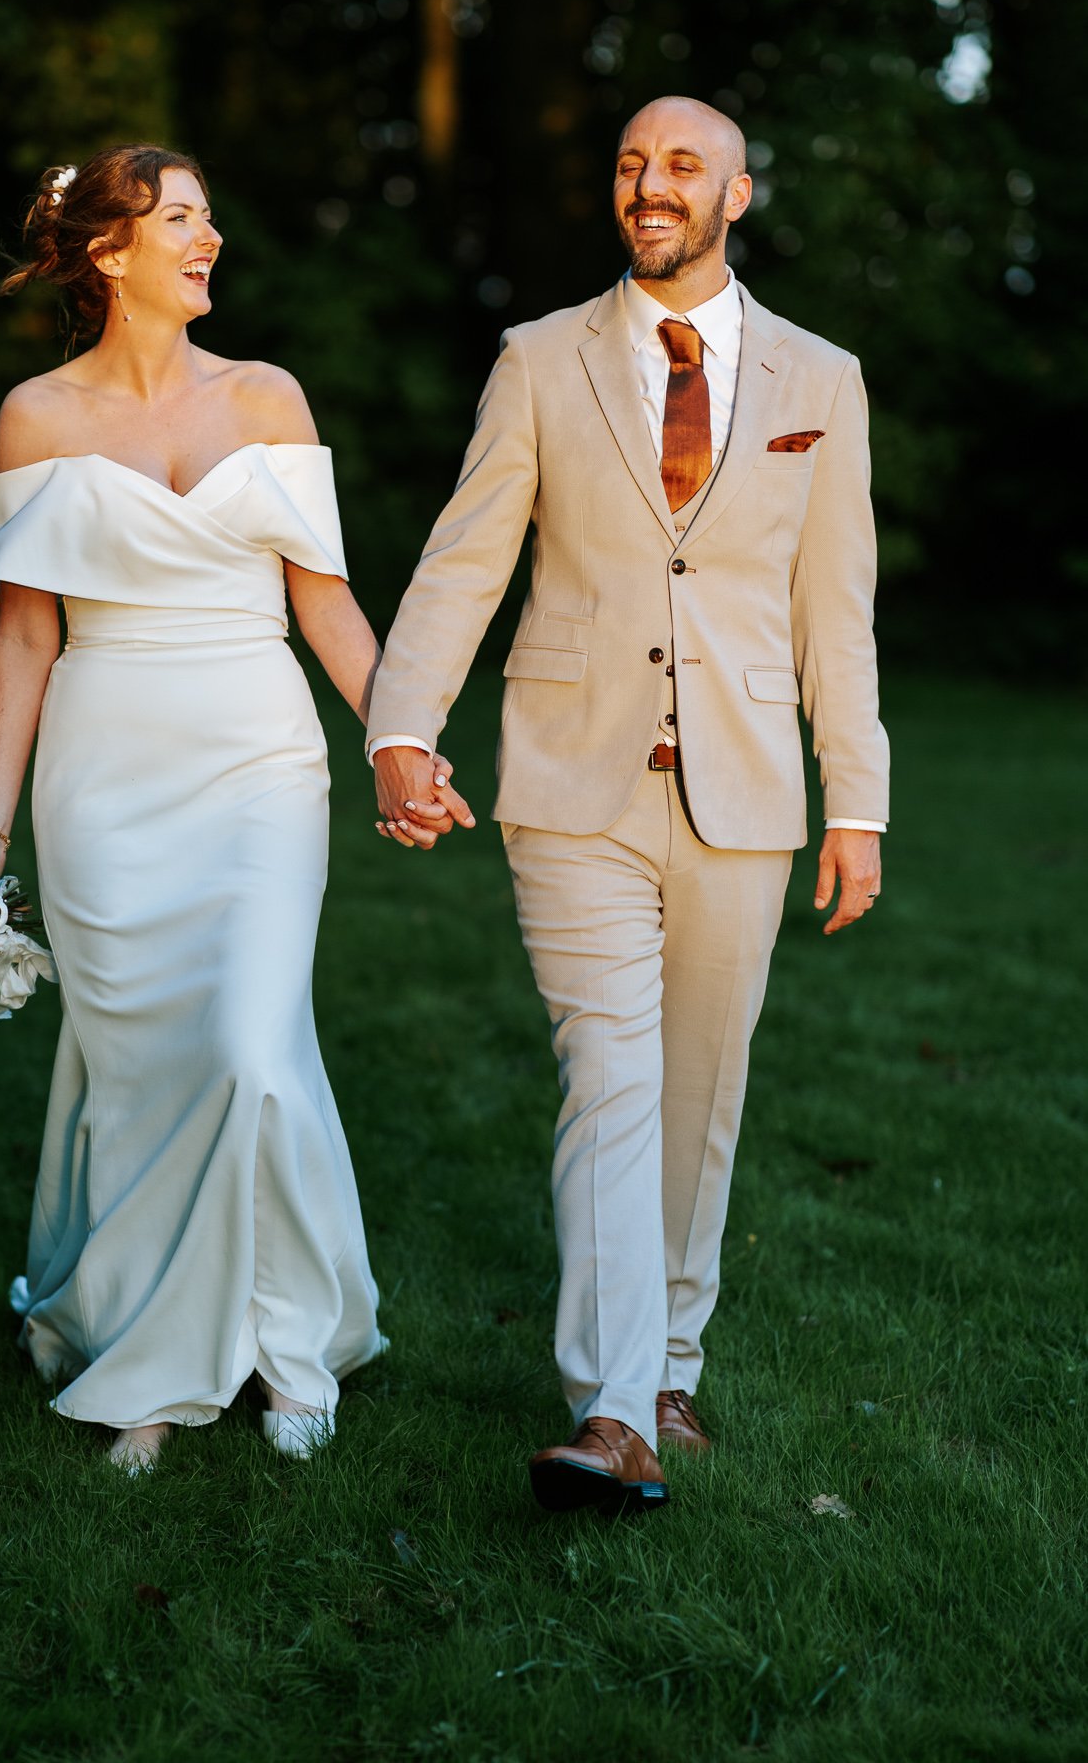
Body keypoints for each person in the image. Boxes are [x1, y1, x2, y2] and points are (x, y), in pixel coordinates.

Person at [368, 96, 888, 1515]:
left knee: (698, 1094)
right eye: (627, 165)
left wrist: (859, 802)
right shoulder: (538, 359)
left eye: (678, 168)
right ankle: (608, 1413)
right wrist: (401, 726)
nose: (645, 187)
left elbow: (830, 611)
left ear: (735, 194)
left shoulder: (818, 380)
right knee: (610, 1078)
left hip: (745, 793)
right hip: (568, 781)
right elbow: (465, 555)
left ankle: (667, 1360)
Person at [0, 144, 471, 1473]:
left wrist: (397, 745)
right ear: (108, 252)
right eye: (180, 219)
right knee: (139, 1073)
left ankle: (289, 1342)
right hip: (103, 773)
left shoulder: (267, 397)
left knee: (247, 1046)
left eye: (210, 219)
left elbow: (324, 601)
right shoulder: (36, 417)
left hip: (256, 759)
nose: (211, 239)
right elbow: (24, 640)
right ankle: (142, 1357)